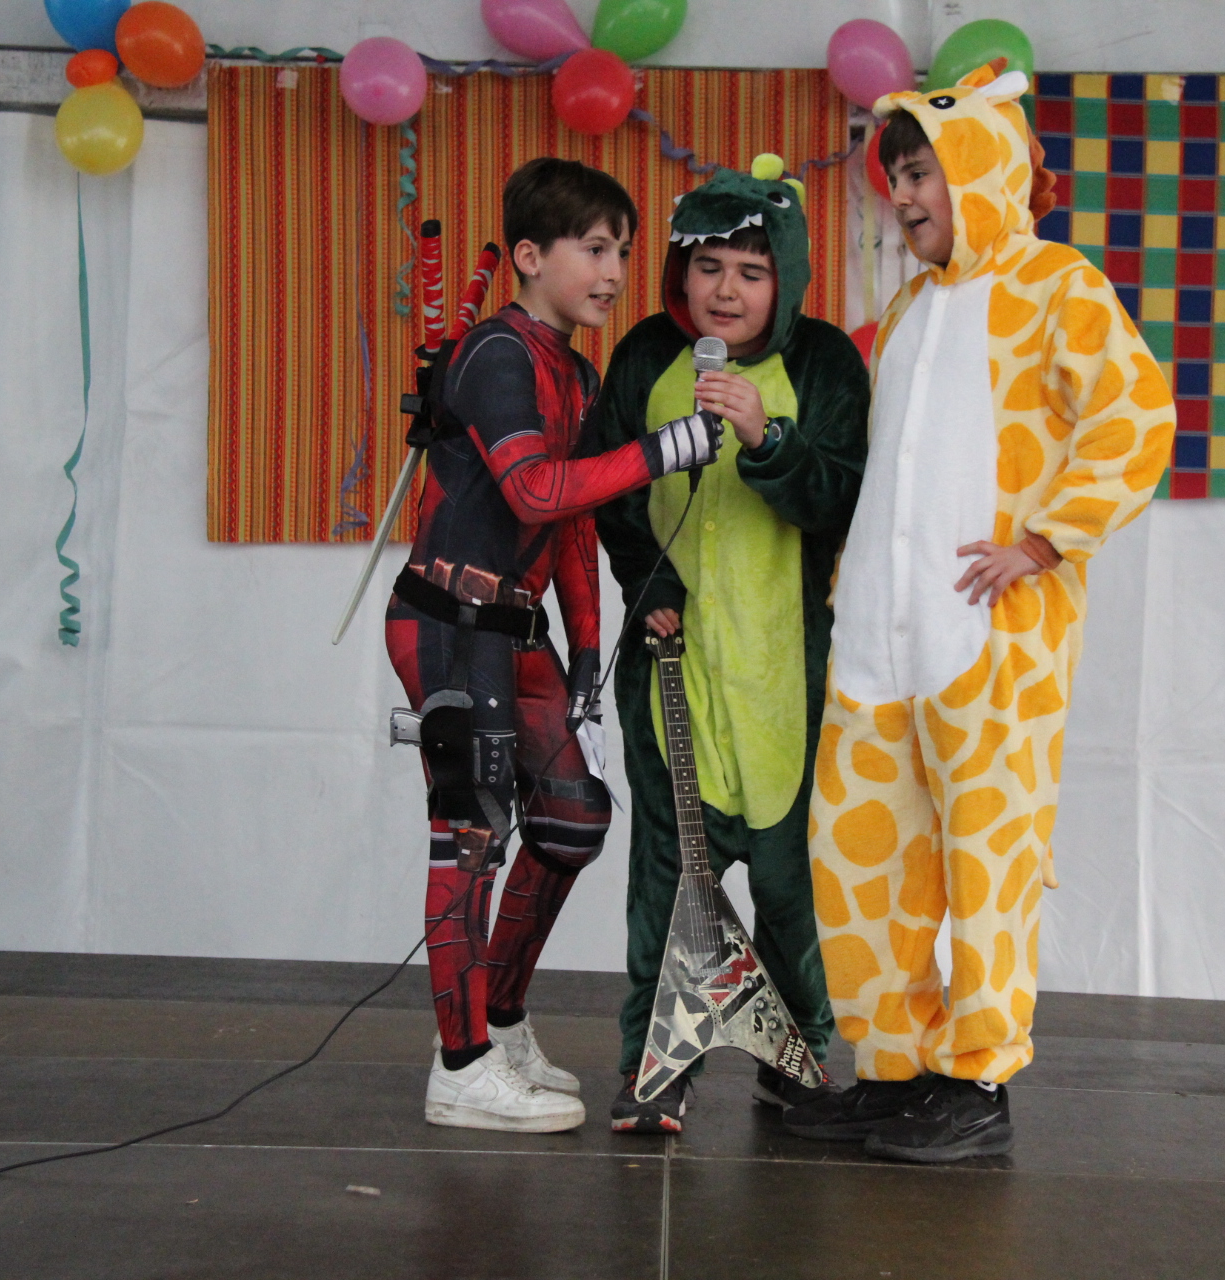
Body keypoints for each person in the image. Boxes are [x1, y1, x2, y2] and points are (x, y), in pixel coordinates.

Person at [782, 65, 1175, 1162]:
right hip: (879, 639)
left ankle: (977, 1079)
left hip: (992, 642)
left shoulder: (1056, 283)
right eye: (897, 177)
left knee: (988, 862)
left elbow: (1136, 415)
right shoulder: (909, 309)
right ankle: (893, 1067)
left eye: (925, 172)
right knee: (862, 854)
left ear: (982, 169)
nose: (905, 195)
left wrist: (1046, 540)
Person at [386, 158, 722, 1133]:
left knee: (572, 817)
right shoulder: (497, 354)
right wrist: (666, 448)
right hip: (447, 623)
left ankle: (498, 1022)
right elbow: (535, 491)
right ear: (530, 256)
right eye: (595, 248)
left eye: (623, 250)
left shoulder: (572, 370)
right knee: (472, 833)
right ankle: (460, 1067)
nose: (614, 271)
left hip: (511, 628)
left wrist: (585, 653)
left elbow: (570, 524)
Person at [583, 156, 871, 1134]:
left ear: (787, 277)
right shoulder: (646, 356)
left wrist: (769, 440)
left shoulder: (823, 363)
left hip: (788, 673)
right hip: (676, 666)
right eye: (708, 267)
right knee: (667, 880)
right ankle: (653, 1067)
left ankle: (799, 1058)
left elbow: (844, 499)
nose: (727, 290)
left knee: (791, 886)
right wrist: (650, 582)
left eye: (752, 271)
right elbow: (608, 486)